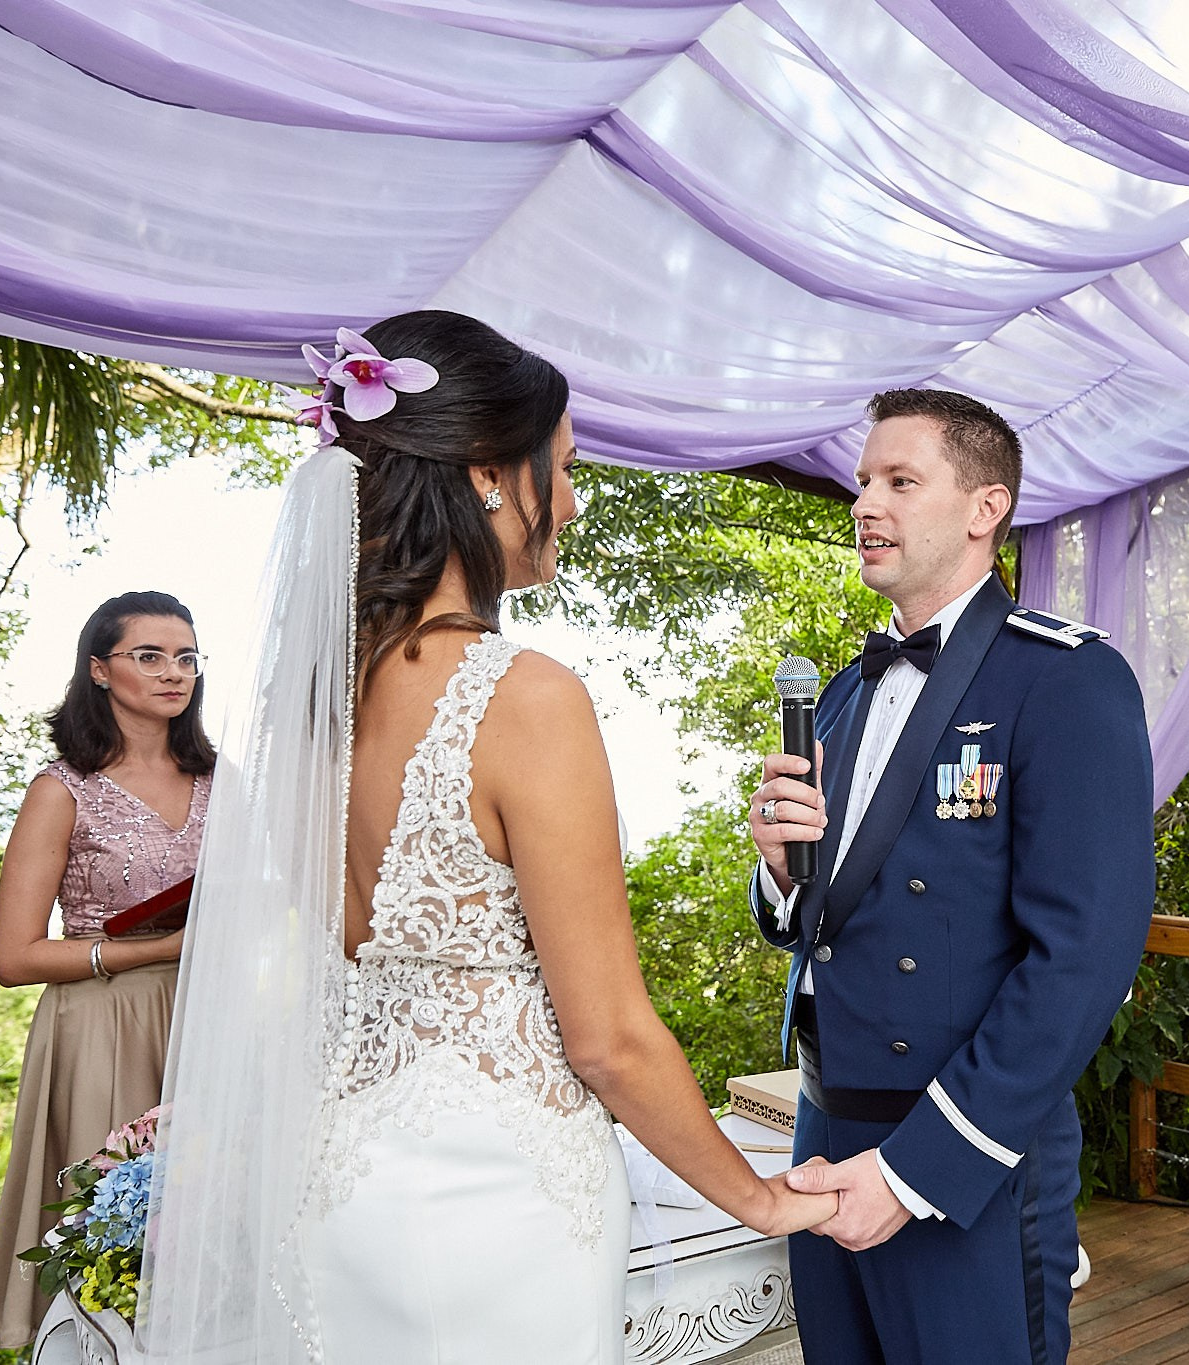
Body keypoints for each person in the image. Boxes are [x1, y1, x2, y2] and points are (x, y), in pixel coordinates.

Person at [140, 312, 832, 1364]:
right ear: (485, 478)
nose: (571, 501)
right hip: (500, 1204)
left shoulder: (309, 710)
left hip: (344, 1181)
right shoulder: (525, 698)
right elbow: (607, 1038)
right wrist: (760, 1200)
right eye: (558, 467)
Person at [747, 388, 1154, 1364]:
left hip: (963, 1157)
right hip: (823, 1126)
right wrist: (777, 875)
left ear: (984, 509)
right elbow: (823, 920)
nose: (863, 505)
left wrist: (914, 1172)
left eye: (899, 481)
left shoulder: (1063, 678)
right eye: (860, 483)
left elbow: (1081, 959)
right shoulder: (844, 691)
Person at [0, 591, 210, 1349]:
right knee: (107, 1237)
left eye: (187, 657)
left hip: (207, 1014)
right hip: (100, 1022)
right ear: (100, 669)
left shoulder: (222, 782)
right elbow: (14, 956)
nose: (174, 673)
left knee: (205, 1227)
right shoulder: (61, 787)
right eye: (150, 655)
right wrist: (152, 949)